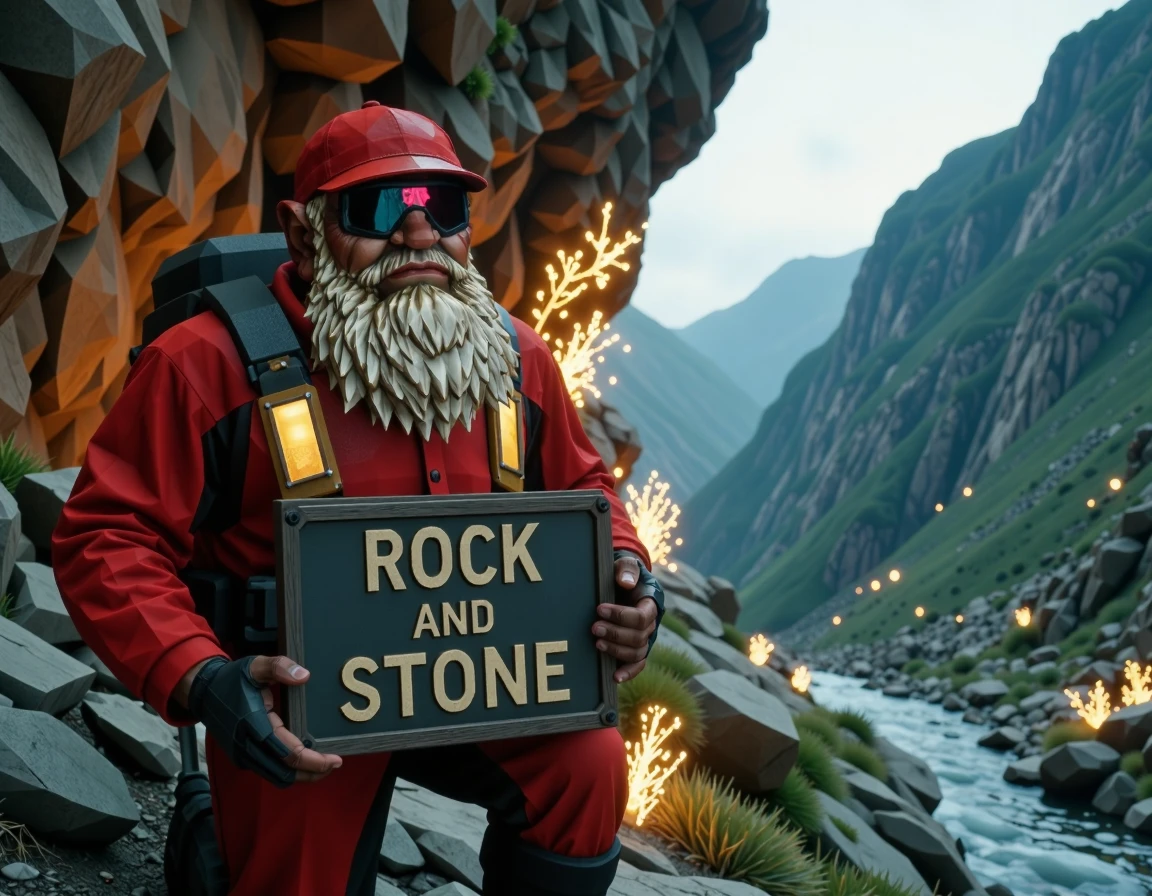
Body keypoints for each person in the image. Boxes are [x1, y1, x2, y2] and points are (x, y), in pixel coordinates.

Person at [51, 101, 664, 896]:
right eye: (378, 209)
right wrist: (203, 677)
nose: (417, 236)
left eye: (441, 208)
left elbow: (582, 484)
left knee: (587, 762)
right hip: (297, 706)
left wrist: (625, 568)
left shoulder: (519, 360)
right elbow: (108, 536)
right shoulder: (203, 365)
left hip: (486, 677)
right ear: (305, 231)